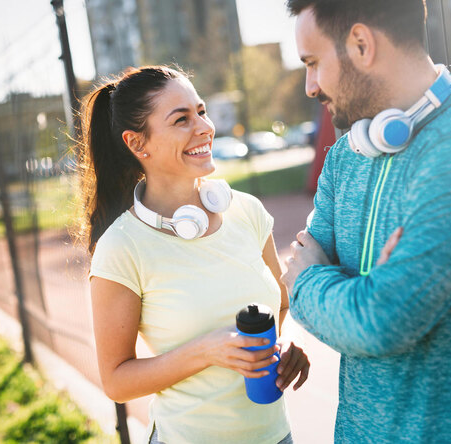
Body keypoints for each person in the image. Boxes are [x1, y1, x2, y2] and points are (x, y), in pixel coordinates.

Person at [280, 1, 451, 443]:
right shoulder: (346, 156)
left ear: (361, 44)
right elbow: (302, 269)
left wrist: (316, 283)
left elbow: (377, 323)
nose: (309, 86)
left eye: (313, 63)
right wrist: (357, 292)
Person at [76, 65, 310, 444]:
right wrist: (205, 352)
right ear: (138, 144)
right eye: (181, 119)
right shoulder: (121, 247)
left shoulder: (246, 211)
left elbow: (281, 306)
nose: (204, 127)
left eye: (200, 111)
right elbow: (117, 381)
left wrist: (283, 347)